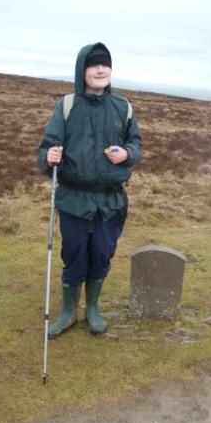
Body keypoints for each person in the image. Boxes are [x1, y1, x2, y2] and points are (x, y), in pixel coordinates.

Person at [38, 42, 142, 338]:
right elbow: (47, 146)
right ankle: (68, 313)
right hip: (73, 199)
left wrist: (127, 154)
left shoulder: (123, 106)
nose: (101, 69)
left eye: (105, 64)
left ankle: (92, 310)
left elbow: (136, 144)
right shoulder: (67, 105)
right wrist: (48, 157)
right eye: (94, 64)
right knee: (74, 254)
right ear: (82, 69)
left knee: (101, 253)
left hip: (111, 200)